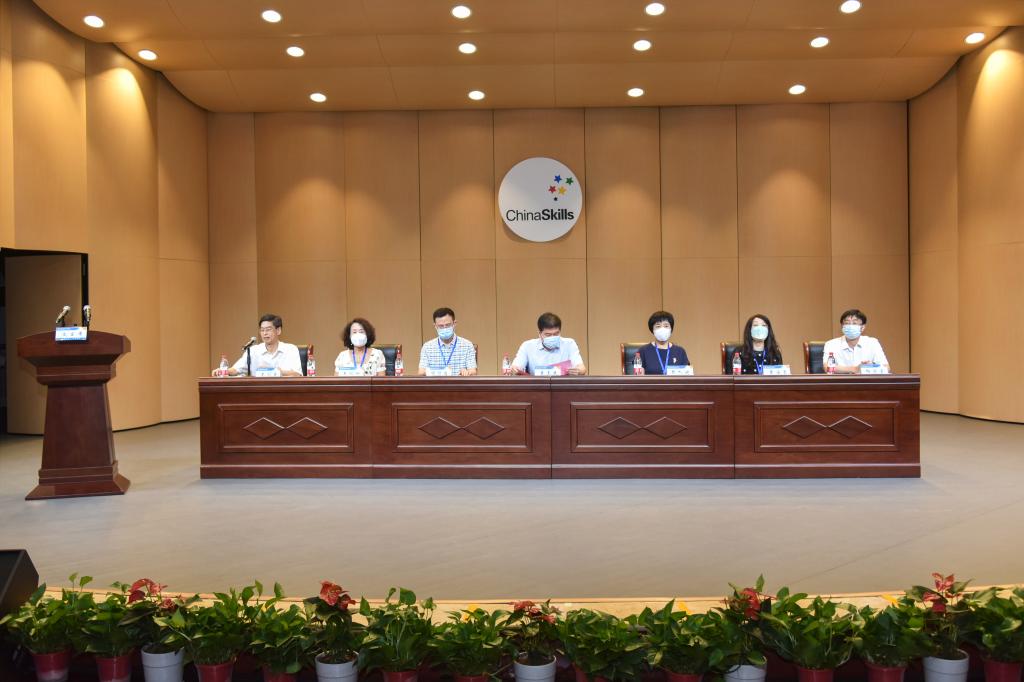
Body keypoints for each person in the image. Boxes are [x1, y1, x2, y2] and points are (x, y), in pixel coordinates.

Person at [214, 313, 302, 377]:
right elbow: (236, 369)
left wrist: (278, 372)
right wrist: (222, 371)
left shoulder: (290, 349)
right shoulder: (253, 351)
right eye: (262, 330)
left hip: (284, 393)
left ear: (278, 330)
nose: (265, 333)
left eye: (268, 329)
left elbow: (297, 374)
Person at [511, 312, 587, 376]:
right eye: (548, 335)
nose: (552, 337)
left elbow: (582, 369)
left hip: (562, 386)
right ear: (540, 334)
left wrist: (578, 371)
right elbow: (516, 366)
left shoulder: (569, 344)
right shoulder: (527, 346)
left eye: (556, 334)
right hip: (536, 387)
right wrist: (515, 369)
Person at [822, 308, 889, 374]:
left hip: (866, 380)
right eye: (847, 323)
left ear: (862, 327)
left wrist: (870, 366)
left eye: (854, 323)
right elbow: (827, 368)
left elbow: (886, 367)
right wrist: (855, 369)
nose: (850, 326)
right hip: (841, 381)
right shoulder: (831, 344)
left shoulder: (873, 343)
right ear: (842, 327)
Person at [417, 307, 477, 376]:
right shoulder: (427, 347)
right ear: (435, 326)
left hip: (458, 382)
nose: (444, 328)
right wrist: (440, 372)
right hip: (436, 383)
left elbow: (473, 371)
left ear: (454, 324)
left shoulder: (467, 345)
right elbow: (421, 372)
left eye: (448, 325)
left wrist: (467, 372)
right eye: (441, 326)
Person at [634, 310, 689, 375]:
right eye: (658, 326)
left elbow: (686, 376)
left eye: (666, 326)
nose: (662, 329)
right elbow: (638, 377)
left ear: (671, 329)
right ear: (652, 330)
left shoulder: (680, 352)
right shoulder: (642, 351)